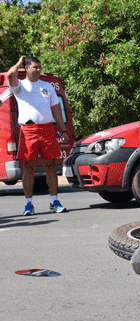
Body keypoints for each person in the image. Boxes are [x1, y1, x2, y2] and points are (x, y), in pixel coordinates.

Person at [7, 56, 69, 215]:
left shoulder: (47, 86)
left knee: (50, 167)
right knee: (28, 169)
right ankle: (29, 204)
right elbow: (9, 75)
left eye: (40, 67)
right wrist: (18, 63)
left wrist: (64, 129)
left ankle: (54, 201)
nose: (39, 69)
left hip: (47, 129)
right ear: (26, 68)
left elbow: (56, 110)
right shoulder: (19, 86)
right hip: (28, 131)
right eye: (35, 67)